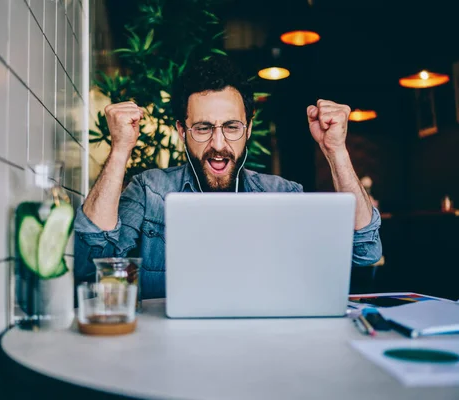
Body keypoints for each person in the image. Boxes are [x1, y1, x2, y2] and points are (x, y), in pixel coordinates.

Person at [75, 56, 382, 299]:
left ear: (248, 129)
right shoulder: (148, 191)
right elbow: (88, 263)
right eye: (204, 128)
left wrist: (336, 150)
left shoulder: (284, 194)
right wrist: (120, 150)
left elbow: (365, 254)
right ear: (183, 131)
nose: (219, 145)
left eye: (232, 127)